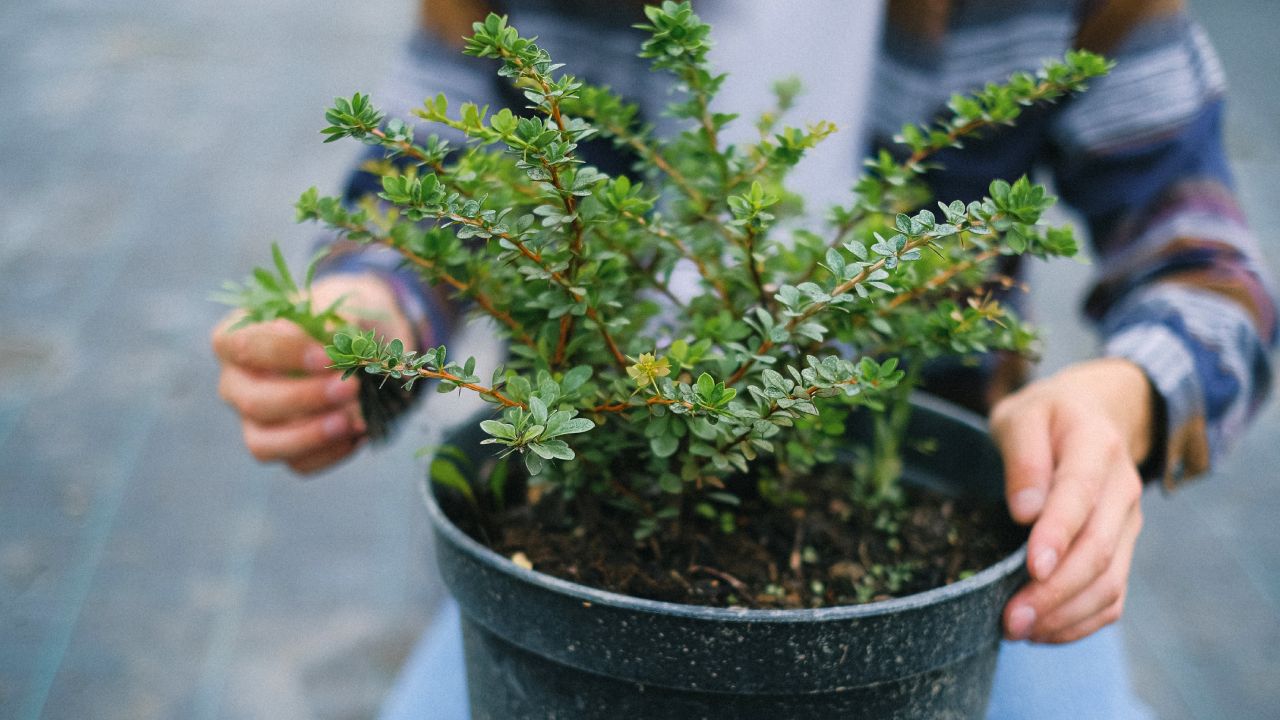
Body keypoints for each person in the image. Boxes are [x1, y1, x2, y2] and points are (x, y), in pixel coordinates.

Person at [211, 0, 1276, 716]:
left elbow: (1205, 269)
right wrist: (363, 313)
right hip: (587, 484)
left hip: (949, 518)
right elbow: (419, 186)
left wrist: (1123, 396)